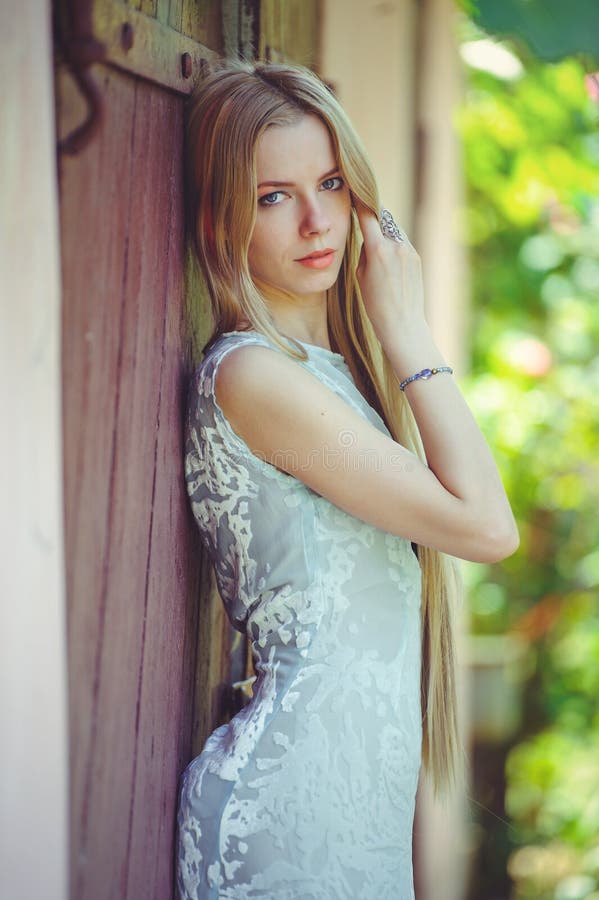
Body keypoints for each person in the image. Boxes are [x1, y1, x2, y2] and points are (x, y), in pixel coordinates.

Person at [177, 58, 518, 900]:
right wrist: (407, 332)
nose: (315, 220)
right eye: (272, 196)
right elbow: (485, 529)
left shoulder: (327, 377)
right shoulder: (256, 378)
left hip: (348, 811)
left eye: (330, 182)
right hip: (289, 814)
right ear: (223, 220)